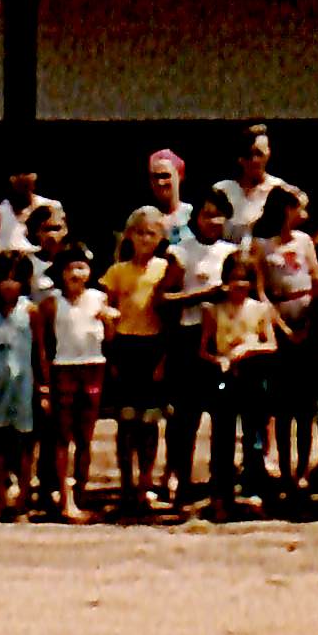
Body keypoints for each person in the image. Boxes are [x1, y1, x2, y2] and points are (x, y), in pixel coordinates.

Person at [96, 211, 175, 514]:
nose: (145, 239)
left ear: (160, 238)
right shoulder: (117, 271)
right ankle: (126, 484)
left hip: (153, 346)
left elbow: (169, 319)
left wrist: (164, 358)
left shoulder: (164, 269)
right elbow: (107, 312)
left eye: (151, 233)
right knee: (126, 421)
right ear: (129, 235)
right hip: (124, 346)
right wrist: (111, 354)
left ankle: (146, 482)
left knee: (150, 422)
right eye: (140, 232)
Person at [161, 195, 238, 499]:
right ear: (197, 219)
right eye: (207, 215)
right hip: (190, 337)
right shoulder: (182, 252)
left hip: (225, 337)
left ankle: (221, 482)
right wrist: (205, 294)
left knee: (224, 413)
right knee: (185, 415)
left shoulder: (232, 252)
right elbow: (164, 298)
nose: (213, 221)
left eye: (219, 215)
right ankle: (180, 478)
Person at [252, 191, 318, 498]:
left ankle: (303, 469)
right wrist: (280, 326)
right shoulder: (261, 244)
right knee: (281, 405)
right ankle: (283, 469)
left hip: (306, 318)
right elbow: (261, 290)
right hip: (277, 322)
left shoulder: (305, 241)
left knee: (306, 406)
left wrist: (308, 323)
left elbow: (317, 279)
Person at [203, 254, 286, 517]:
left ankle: (253, 491)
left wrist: (249, 350)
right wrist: (219, 360)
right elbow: (203, 349)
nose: (239, 284)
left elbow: (271, 344)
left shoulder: (260, 310)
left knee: (254, 436)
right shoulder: (213, 310)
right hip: (224, 378)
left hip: (253, 376)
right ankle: (221, 494)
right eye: (234, 278)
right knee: (222, 436)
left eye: (244, 279)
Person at [41, 245, 110, 522]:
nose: (76, 273)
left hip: (93, 367)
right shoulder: (51, 302)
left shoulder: (100, 298)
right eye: (70, 268)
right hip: (63, 368)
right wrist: (45, 381)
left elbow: (110, 337)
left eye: (81, 267)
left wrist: (109, 321)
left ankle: (80, 492)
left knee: (85, 437)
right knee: (62, 437)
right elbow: (44, 344)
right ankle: (63, 495)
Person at [0, 259, 43, 519]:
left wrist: (44, 386)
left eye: (14, 279)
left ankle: (23, 497)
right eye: (4, 279)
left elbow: (40, 351)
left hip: (23, 384)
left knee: (25, 442)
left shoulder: (31, 311)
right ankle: (1, 498)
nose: (8, 285)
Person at [216, 123, 299, 237]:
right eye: (248, 154)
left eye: (259, 154)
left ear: (268, 154)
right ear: (240, 158)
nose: (254, 160)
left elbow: (302, 208)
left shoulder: (278, 188)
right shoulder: (223, 189)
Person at [0, 167, 65, 267]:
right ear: (11, 179)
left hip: (45, 271)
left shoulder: (53, 207)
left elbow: (61, 242)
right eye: (18, 173)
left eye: (27, 173)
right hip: (8, 271)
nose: (23, 177)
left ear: (35, 176)